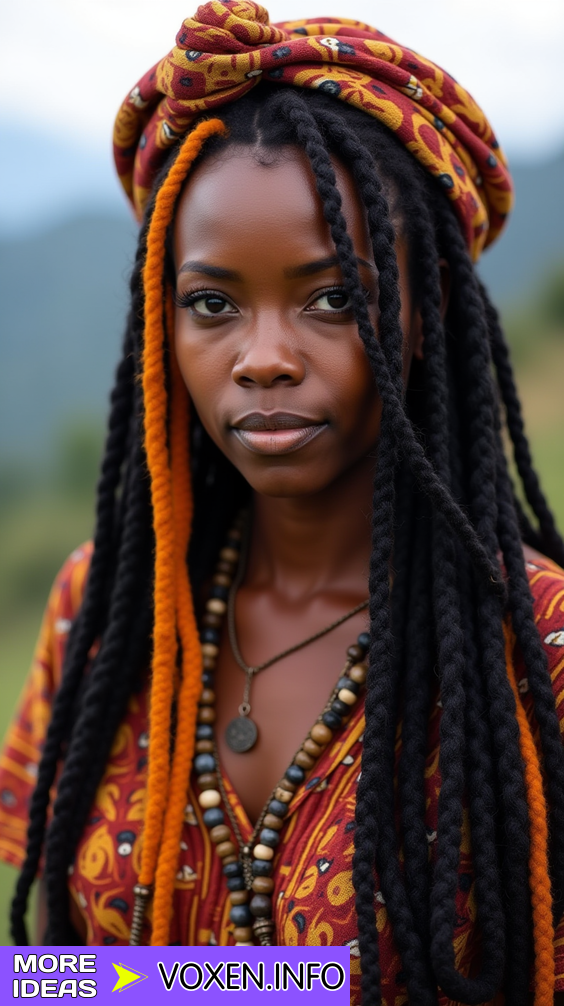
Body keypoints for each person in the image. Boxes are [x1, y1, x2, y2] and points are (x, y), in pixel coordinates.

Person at [0, 2, 563, 1003]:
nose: (263, 358)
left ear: (426, 312)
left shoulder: (542, 649)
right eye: (211, 304)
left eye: (334, 297)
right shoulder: (102, 608)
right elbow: (56, 978)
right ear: (160, 324)